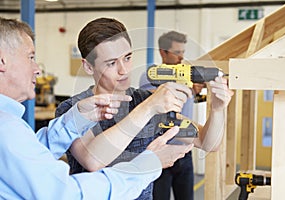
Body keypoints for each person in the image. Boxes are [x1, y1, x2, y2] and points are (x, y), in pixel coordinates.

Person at [0, 17, 195, 200]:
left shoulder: (10, 126)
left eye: (127, 58)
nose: (37, 69)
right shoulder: (7, 129)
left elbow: (33, 154)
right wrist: (146, 165)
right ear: (2, 61)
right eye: (30, 57)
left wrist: (74, 121)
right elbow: (68, 194)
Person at [56, 17, 234, 200]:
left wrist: (218, 109)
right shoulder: (72, 109)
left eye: (128, 57)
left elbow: (207, 142)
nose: (123, 70)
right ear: (88, 66)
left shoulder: (144, 99)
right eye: (111, 63)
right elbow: (93, 160)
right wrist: (149, 107)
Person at [139, 31, 204, 200]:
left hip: (185, 151)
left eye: (183, 52)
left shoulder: (187, 74)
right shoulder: (151, 75)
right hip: (160, 149)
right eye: (177, 52)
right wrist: (188, 88)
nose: (181, 57)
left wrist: (195, 91)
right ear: (163, 52)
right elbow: (157, 102)